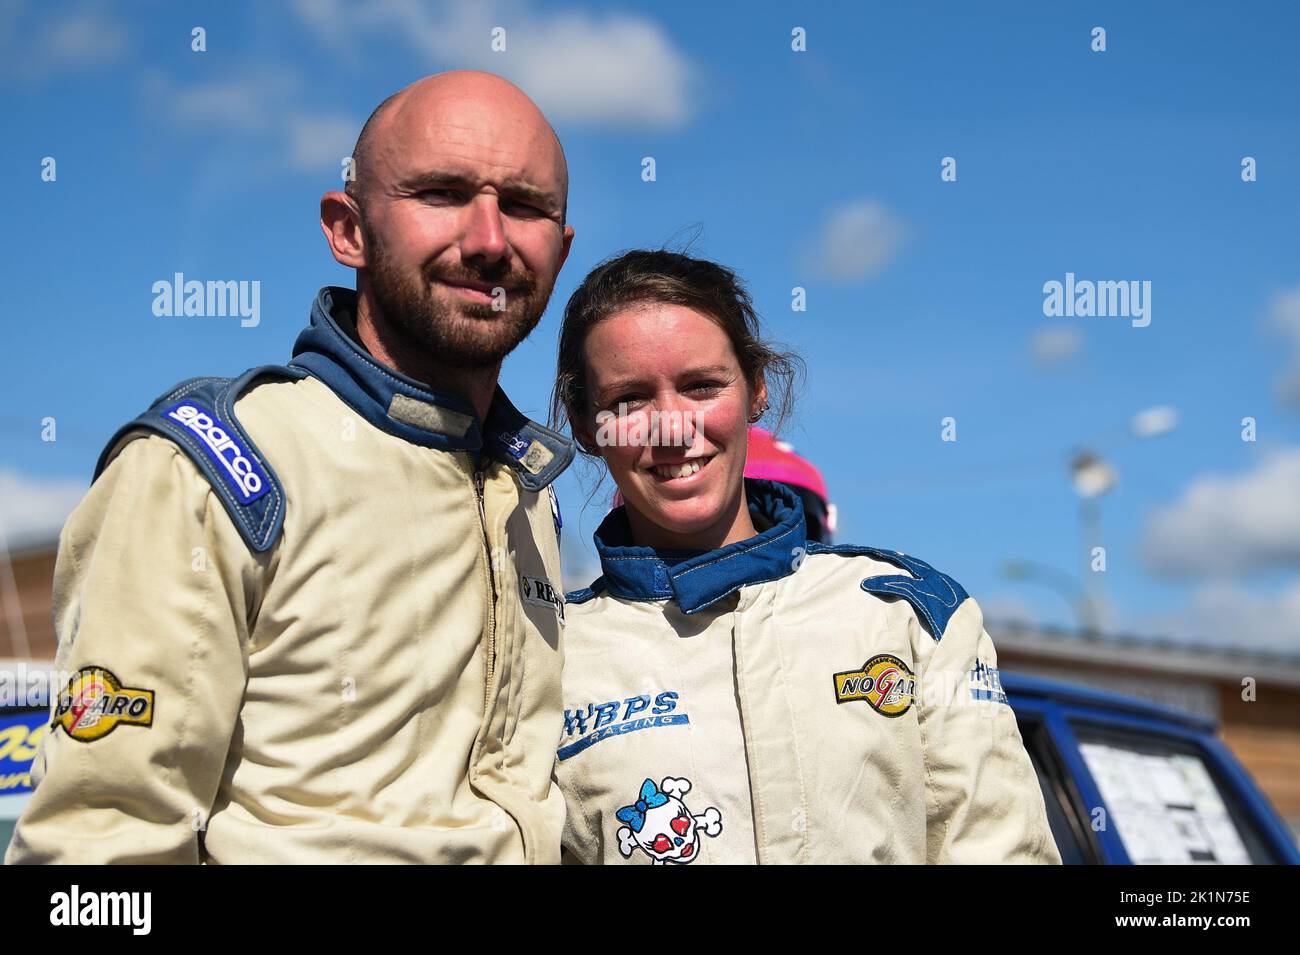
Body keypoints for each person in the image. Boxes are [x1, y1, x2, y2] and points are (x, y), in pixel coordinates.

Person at [7, 70, 577, 864]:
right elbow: (96, 855)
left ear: (562, 245)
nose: (488, 239)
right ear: (347, 230)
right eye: (441, 194)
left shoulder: (527, 492)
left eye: (523, 205)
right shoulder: (211, 465)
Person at [550, 249, 1062, 864]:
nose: (672, 427)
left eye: (701, 386)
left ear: (756, 391)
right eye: (630, 399)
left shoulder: (909, 614)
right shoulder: (549, 657)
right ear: (584, 424)